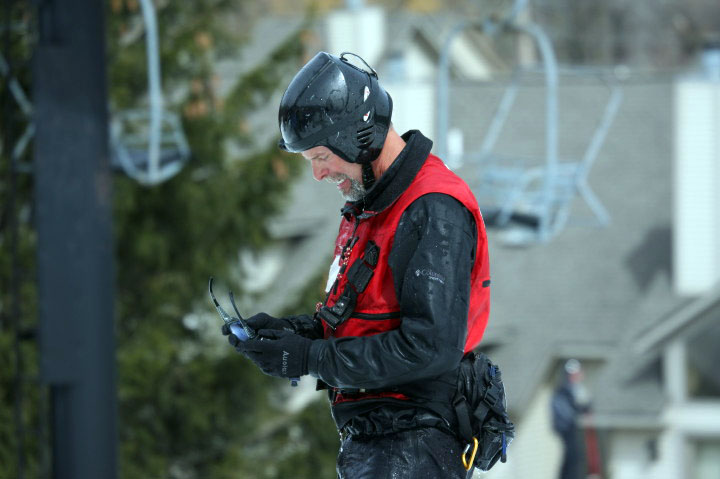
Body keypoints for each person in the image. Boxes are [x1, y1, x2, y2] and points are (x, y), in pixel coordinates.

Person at [222, 51, 492, 478]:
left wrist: (309, 358)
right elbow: (368, 322)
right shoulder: (372, 208)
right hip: (383, 439)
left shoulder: (432, 209)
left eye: (320, 157)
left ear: (358, 138)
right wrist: (290, 335)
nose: (318, 174)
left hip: (416, 443)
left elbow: (430, 347)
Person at [551, 359, 592, 479]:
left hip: (578, 429)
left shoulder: (579, 389)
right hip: (568, 428)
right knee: (572, 456)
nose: (574, 376)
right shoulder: (562, 391)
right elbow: (565, 413)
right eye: (572, 374)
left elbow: (586, 405)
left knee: (578, 456)